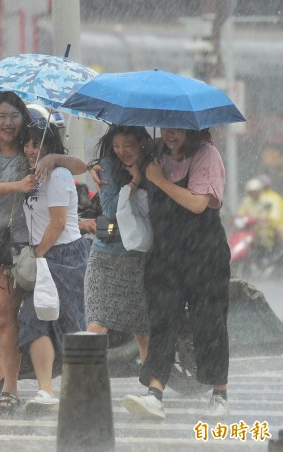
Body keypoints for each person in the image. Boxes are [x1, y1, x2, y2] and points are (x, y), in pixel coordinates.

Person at [0, 92, 86, 414]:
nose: (8, 122)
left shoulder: (30, 147)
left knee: (3, 315)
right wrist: (17, 186)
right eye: (1, 115)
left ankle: (10, 387)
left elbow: (78, 167)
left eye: (14, 116)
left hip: (14, 243)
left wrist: (53, 159)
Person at [122, 127, 231, 420]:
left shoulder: (206, 154)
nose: (170, 133)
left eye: (178, 128)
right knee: (162, 320)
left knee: (209, 321)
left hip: (204, 252)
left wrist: (159, 179)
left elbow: (198, 203)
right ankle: (155, 393)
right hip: (165, 253)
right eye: (166, 126)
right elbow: (130, 165)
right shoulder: (156, 152)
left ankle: (219, 392)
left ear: (193, 129)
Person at [19, 121, 89, 410]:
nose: (30, 149)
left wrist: (37, 253)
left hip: (65, 255)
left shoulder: (58, 174)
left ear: (50, 146)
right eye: (27, 143)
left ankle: (81, 390)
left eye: (37, 144)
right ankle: (45, 390)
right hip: (44, 255)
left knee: (70, 324)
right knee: (34, 322)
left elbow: (59, 223)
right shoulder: (31, 175)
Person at [84, 125, 152, 365]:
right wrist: (134, 182)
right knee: (96, 322)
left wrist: (146, 178)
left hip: (138, 258)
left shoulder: (155, 164)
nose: (122, 151)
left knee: (141, 326)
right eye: (116, 145)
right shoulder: (108, 166)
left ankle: (150, 385)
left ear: (142, 143)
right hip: (105, 255)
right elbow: (111, 209)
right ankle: (86, 388)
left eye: (128, 145)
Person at [237, 176, 283, 253]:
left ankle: (267, 253)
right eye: (251, 191)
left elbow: (274, 215)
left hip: (265, 227)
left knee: (264, 235)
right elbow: (241, 214)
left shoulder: (268, 200)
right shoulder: (246, 201)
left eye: (255, 191)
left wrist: (267, 220)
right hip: (250, 228)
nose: (253, 194)